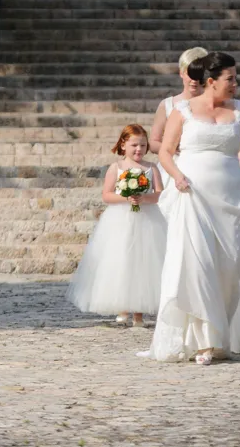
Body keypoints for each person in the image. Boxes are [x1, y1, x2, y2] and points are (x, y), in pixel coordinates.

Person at [142, 52, 240, 365]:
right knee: (196, 265)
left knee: (227, 268)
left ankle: (222, 331)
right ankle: (206, 342)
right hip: (192, 196)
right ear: (211, 82)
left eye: (236, 78)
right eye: (230, 79)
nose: (235, 84)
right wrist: (178, 178)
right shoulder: (182, 111)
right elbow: (167, 153)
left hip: (228, 199)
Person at [67, 124, 167, 327]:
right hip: (121, 220)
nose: (139, 149)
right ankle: (122, 307)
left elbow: (159, 194)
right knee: (121, 260)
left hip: (147, 220)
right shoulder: (116, 168)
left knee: (144, 262)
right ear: (123, 144)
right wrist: (126, 196)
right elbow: (107, 194)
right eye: (134, 145)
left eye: (143, 145)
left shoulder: (152, 168)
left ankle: (139, 312)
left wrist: (144, 197)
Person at [149, 46, 208, 219]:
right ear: (181, 73)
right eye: (189, 73)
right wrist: (173, 148)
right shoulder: (167, 104)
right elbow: (153, 141)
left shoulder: (213, 105)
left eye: (199, 74)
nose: (194, 80)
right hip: (172, 167)